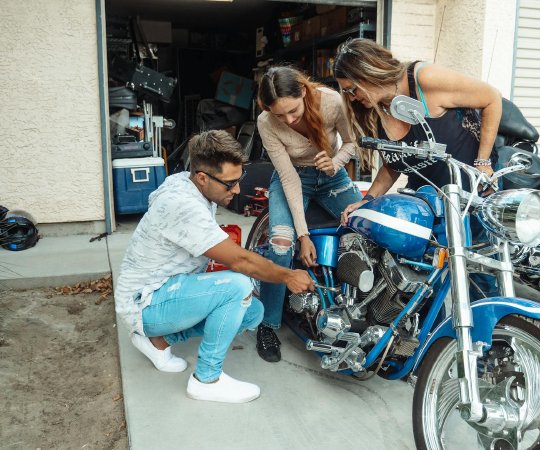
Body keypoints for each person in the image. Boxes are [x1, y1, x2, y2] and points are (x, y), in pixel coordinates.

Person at [114, 130, 314, 404]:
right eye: (229, 184)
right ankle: (206, 379)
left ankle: (158, 342)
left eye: (239, 179)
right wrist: (288, 275)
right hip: (145, 302)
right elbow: (240, 261)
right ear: (202, 177)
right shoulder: (182, 205)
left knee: (253, 311)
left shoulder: (186, 184)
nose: (237, 190)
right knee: (238, 286)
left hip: (166, 290)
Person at [335, 38, 502, 298]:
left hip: (470, 195)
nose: (352, 97)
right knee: (422, 277)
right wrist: (367, 199)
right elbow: (393, 165)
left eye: (351, 88)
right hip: (428, 202)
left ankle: (488, 336)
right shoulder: (379, 106)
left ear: (368, 73)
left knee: (477, 277)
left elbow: (491, 98)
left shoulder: (423, 79)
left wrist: (483, 163)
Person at [255, 66, 363, 363]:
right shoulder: (266, 122)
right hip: (293, 179)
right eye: (280, 115)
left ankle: (358, 314)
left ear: (303, 92)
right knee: (280, 243)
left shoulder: (331, 101)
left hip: (332, 177)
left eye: (292, 111)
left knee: (367, 231)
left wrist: (336, 162)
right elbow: (288, 178)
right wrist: (302, 236)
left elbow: (352, 142)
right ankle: (268, 324)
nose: (288, 120)